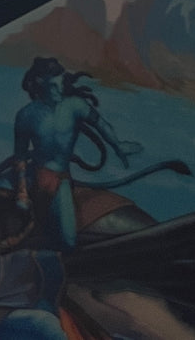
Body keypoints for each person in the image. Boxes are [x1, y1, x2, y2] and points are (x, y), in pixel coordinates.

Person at [12, 58, 135, 250]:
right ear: (40, 82)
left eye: (61, 82)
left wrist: (118, 146)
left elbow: (101, 124)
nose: (60, 88)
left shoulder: (75, 106)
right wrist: (22, 192)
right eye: (54, 84)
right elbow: (19, 156)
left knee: (68, 240)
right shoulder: (26, 115)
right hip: (34, 178)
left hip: (60, 179)